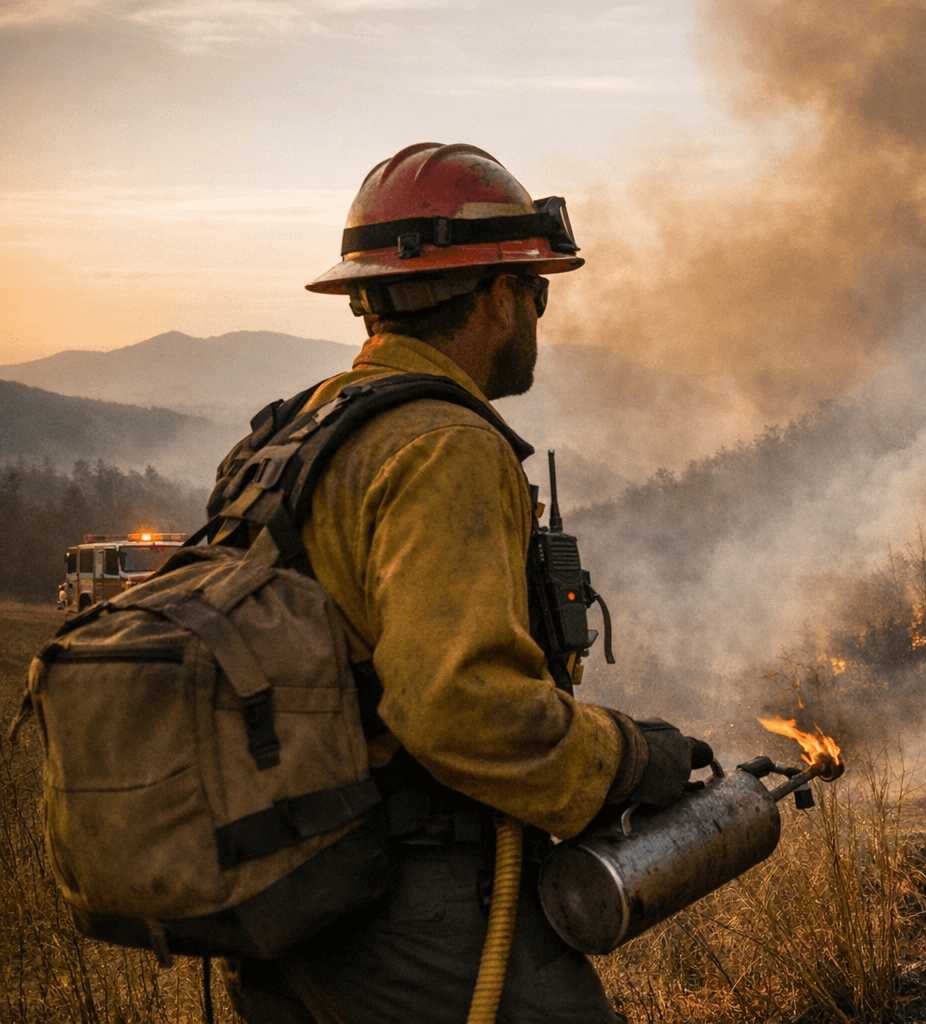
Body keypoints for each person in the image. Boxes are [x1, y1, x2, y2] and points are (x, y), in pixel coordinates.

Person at [220, 143, 711, 1024]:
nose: (537, 315)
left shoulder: (288, 436)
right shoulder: (443, 445)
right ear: (494, 297)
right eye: (536, 290)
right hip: (411, 911)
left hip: (286, 899)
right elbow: (461, 707)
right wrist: (633, 758)